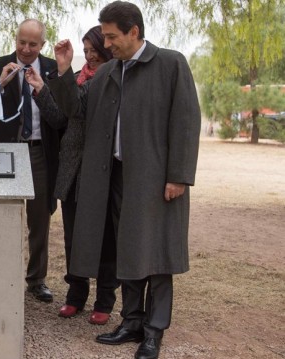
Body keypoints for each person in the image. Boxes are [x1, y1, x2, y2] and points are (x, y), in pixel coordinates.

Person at [48, 2, 201, 358]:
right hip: (115, 177)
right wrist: (64, 70)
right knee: (126, 249)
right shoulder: (106, 72)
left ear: (134, 32)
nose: (107, 43)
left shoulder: (171, 63)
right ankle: (131, 321)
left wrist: (178, 176)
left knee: (157, 254)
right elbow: (74, 111)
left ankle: (154, 330)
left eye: (112, 36)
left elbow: (186, 121)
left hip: (157, 179)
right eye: (105, 35)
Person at [27, 25, 119, 324]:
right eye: (87, 51)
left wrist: (63, 73)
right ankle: (76, 295)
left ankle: (105, 299)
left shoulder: (114, 79)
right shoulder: (78, 78)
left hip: (102, 170)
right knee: (73, 237)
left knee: (105, 238)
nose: (90, 57)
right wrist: (41, 89)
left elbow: (79, 109)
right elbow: (59, 118)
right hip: (72, 170)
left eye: (95, 51)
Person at [0, 19, 59, 303]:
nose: (25, 48)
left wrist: (42, 89)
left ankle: (36, 279)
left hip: (38, 152)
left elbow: (60, 117)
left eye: (33, 44)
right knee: (2, 215)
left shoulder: (53, 69)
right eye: (21, 42)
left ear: (42, 45)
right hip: (4, 153)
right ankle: (0, 274)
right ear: (16, 38)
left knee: (39, 219)